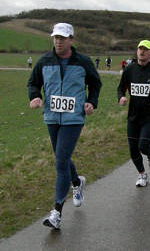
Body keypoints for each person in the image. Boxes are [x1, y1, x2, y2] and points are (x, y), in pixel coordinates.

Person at [28, 22, 102, 229]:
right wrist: (34, 97)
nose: (58, 41)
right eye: (55, 37)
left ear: (71, 39)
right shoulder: (44, 61)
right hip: (52, 116)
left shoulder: (83, 62)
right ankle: (77, 183)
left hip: (73, 118)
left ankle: (56, 214)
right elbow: (33, 83)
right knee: (62, 157)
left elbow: (95, 83)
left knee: (60, 161)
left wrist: (91, 102)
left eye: (62, 38)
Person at [117, 40, 150, 187]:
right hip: (133, 116)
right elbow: (120, 88)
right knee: (132, 149)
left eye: (145, 49)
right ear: (137, 51)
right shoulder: (129, 70)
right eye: (140, 49)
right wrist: (121, 97)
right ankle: (142, 174)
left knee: (143, 145)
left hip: (149, 116)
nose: (142, 52)